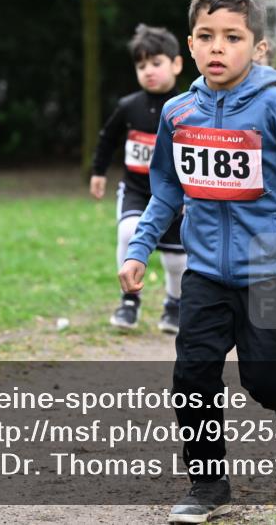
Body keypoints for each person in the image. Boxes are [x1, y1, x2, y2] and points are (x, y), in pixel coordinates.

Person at [117, 0, 276, 524]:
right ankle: (208, 485)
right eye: (206, 35)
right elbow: (166, 190)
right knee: (192, 379)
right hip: (206, 274)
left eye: (233, 37)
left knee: (267, 379)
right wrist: (140, 248)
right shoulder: (178, 113)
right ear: (190, 44)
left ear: (258, 47)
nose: (218, 47)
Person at [90, 24, 187, 333]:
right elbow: (107, 139)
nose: (149, 71)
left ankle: (174, 305)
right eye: (141, 66)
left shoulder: (189, 107)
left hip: (175, 197)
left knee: (176, 261)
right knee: (128, 232)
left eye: (156, 63)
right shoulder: (128, 107)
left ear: (176, 64)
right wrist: (98, 171)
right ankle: (129, 300)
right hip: (136, 190)